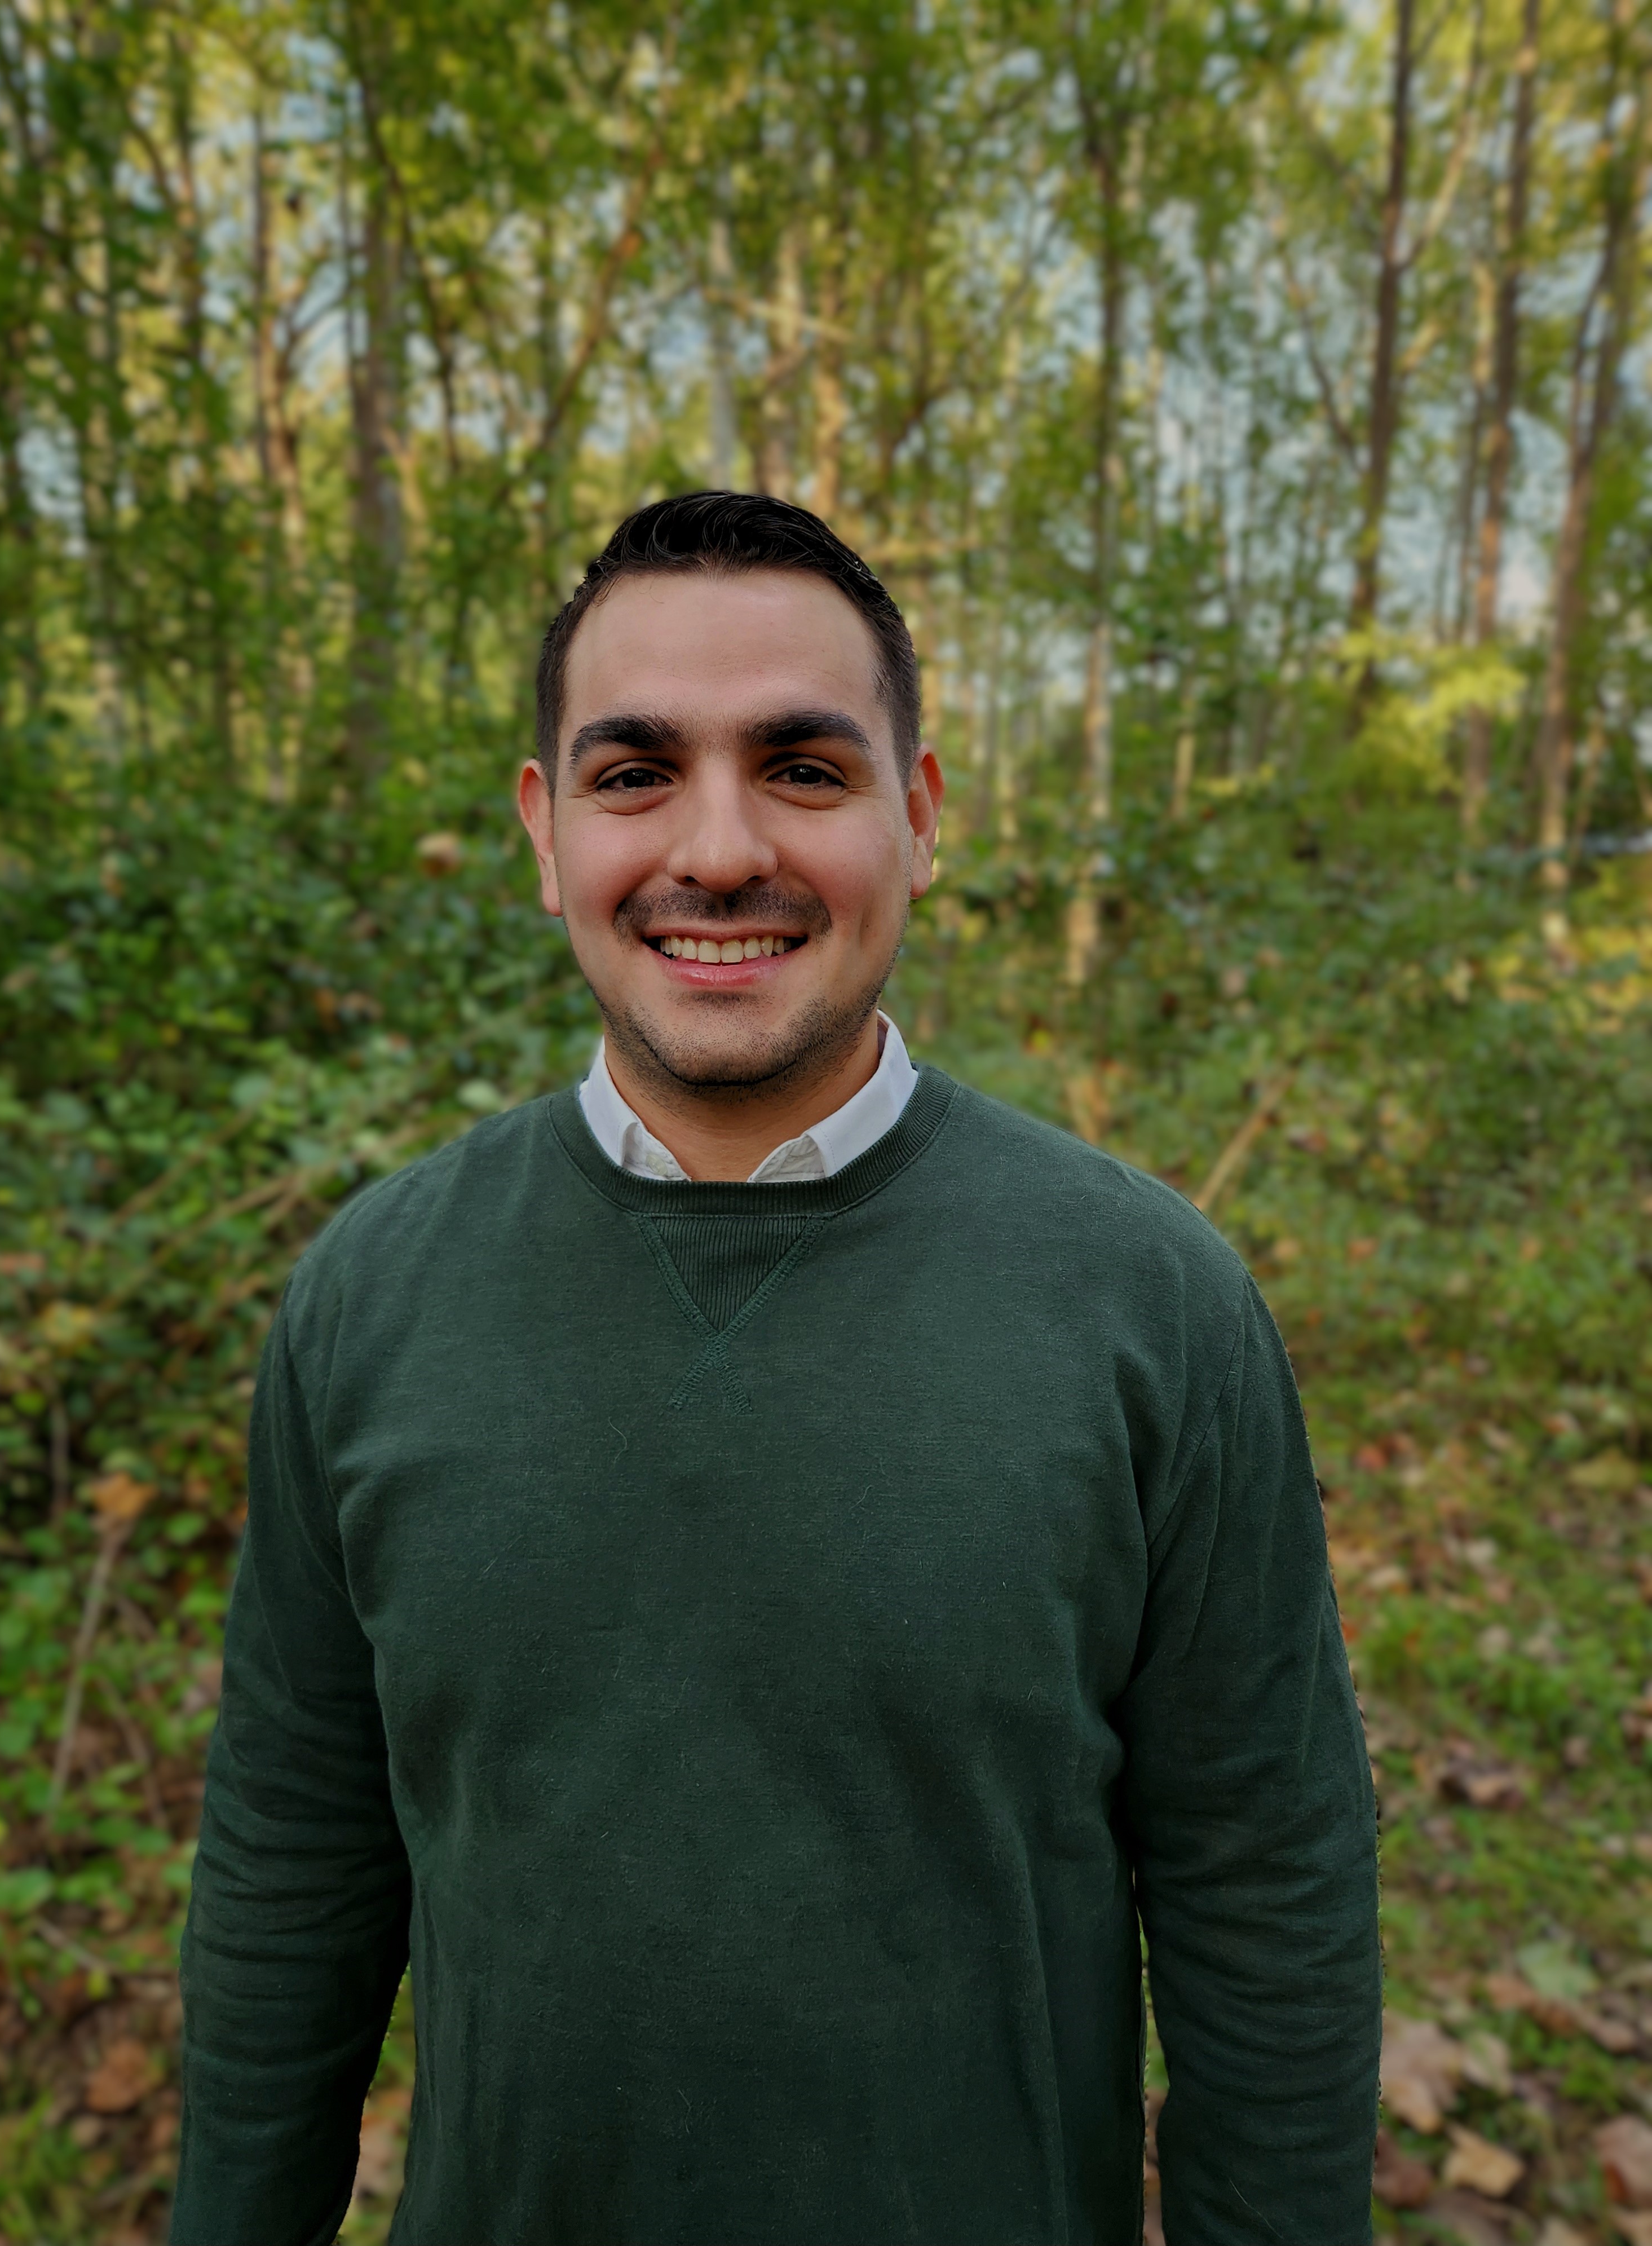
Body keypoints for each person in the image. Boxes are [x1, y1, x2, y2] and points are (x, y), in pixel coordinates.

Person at [172, 491, 1380, 2246]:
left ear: (922, 814)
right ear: (543, 829)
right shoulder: (372, 1298)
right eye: (633, 771)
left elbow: (1265, 1890)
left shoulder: (1152, 1305)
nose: (718, 848)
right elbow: (292, 1865)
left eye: (803, 769)